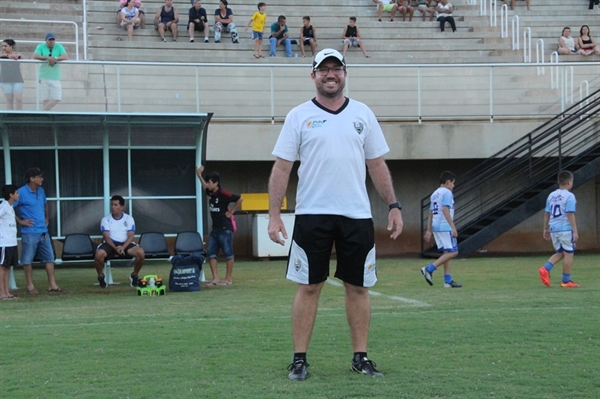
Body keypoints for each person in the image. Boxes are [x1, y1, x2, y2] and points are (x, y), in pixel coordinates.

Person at [267, 48, 403, 381]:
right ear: (313, 75)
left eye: (336, 69)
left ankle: (361, 357)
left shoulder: (363, 114)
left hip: (356, 216)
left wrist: (394, 205)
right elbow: (282, 168)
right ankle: (299, 359)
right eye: (324, 69)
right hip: (312, 215)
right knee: (309, 287)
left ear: (344, 73)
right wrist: (274, 214)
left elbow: (376, 165)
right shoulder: (299, 115)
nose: (331, 74)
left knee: (358, 287)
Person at [13, 167, 62, 294]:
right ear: (32, 179)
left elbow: (45, 203)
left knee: (49, 258)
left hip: (43, 231)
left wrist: (47, 217)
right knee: (27, 259)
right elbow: (9, 206)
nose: (42, 179)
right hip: (29, 232)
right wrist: (20, 221)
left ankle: (52, 285)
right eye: (39, 177)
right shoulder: (21, 192)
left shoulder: (41, 191)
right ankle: (30, 286)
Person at [196, 166, 243, 286]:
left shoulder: (223, 193)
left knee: (228, 254)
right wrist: (199, 175)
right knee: (211, 253)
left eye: (210, 182)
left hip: (225, 229)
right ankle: (215, 278)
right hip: (215, 229)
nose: (208, 184)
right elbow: (204, 187)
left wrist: (231, 211)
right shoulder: (211, 193)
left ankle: (228, 279)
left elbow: (239, 198)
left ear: (216, 183)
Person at [421, 171, 462, 289]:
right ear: (448, 182)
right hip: (445, 226)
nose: (453, 186)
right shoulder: (447, 193)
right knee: (453, 252)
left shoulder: (434, 194)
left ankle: (447, 281)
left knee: (447, 253)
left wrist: (429, 229)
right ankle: (429, 269)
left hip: (436, 226)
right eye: (453, 183)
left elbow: (430, 213)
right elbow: (445, 210)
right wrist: (453, 227)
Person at [538, 171, 579, 288]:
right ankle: (566, 281)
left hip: (554, 228)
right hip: (565, 228)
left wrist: (545, 229)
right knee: (569, 254)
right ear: (570, 182)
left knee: (561, 252)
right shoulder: (570, 196)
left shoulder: (551, 195)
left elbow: (546, 213)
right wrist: (575, 231)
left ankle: (545, 269)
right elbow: (570, 214)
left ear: (558, 182)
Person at [94, 195, 145, 289]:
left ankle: (134, 275)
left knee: (140, 252)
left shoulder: (129, 219)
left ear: (121, 207)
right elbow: (106, 237)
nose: (113, 207)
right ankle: (101, 276)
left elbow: (131, 236)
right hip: (110, 244)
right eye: (112, 204)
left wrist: (123, 247)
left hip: (125, 244)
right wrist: (115, 248)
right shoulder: (105, 219)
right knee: (99, 254)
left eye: (116, 205)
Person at [32, 33, 68, 111]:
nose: (51, 41)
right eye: (49, 40)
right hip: (43, 75)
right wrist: (48, 58)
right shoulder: (40, 46)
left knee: (57, 97)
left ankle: (43, 111)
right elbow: (35, 56)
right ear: (46, 40)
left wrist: (55, 58)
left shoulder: (59, 46)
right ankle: (46, 115)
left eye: (53, 40)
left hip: (55, 76)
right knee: (45, 98)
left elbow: (65, 56)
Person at [0, 185, 20, 300]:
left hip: (12, 242)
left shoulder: (10, 207)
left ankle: (7, 292)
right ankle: (2, 293)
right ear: (11, 195)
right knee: (2, 267)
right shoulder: (3, 206)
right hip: (4, 242)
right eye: (16, 193)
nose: (18, 195)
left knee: (7, 267)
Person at [0, 39, 24, 111]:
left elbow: (26, 57)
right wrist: (8, 56)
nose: (3, 48)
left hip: (17, 79)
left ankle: (18, 115)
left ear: (11, 46)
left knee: (18, 99)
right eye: (2, 46)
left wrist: (16, 56)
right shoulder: (1, 54)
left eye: (5, 46)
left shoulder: (17, 54)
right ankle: (10, 116)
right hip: (5, 79)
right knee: (9, 100)